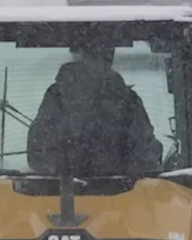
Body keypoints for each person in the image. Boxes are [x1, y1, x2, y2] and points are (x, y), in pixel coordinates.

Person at [26, 43, 163, 176]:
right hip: (121, 195)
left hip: (59, 194)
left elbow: (39, 152)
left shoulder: (56, 96)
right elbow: (145, 155)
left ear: (79, 54)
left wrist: (66, 175)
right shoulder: (127, 101)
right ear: (109, 58)